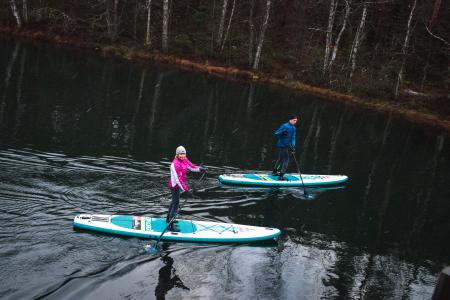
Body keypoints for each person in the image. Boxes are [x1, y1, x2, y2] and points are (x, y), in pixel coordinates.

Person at [167, 145, 205, 231]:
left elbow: (191, 167)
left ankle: (168, 219)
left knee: (174, 202)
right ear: (177, 155)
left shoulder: (185, 160)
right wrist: (186, 190)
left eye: (183, 154)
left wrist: (200, 169)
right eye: (180, 154)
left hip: (179, 184)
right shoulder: (175, 164)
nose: (182, 156)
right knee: (176, 203)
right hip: (174, 185)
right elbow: (178, 180)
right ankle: (170, 226)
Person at [273, 115, 298, 180]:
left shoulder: (294, 128)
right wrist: (282, 132)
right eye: (294, 120)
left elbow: (293, 138)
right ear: (290, 120)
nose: (295, 122)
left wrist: (293, 146)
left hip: (287, 146)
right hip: (282, 145)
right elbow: (276, 134)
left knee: (280, 159)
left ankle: (274, 172)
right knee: (286, 160)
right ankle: (281, 176)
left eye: (296, 121)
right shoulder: (284, 126)